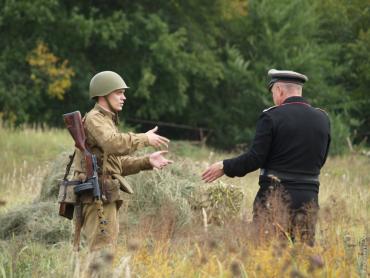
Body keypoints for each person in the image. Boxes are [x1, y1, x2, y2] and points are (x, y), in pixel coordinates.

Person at [202, 69, 331, 245]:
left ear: (279, 90)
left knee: (266, 257)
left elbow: (255, 158)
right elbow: (321, 160)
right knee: (302, 259)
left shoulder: (271, 116)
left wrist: (225, 166)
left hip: (274, 198)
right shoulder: (323, 119)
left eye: (272, 93)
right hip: (309, 199)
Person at [72, 71, 173, 257]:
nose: (124, 97)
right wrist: (145, 138)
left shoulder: (105, 121)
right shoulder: (95, 118)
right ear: (103, 95)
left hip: (103, 195)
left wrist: (147, 161)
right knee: (101, 255)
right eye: (118, 92)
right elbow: (113, 143)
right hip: (98, 198)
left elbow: (114, 166)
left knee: (103, 253)